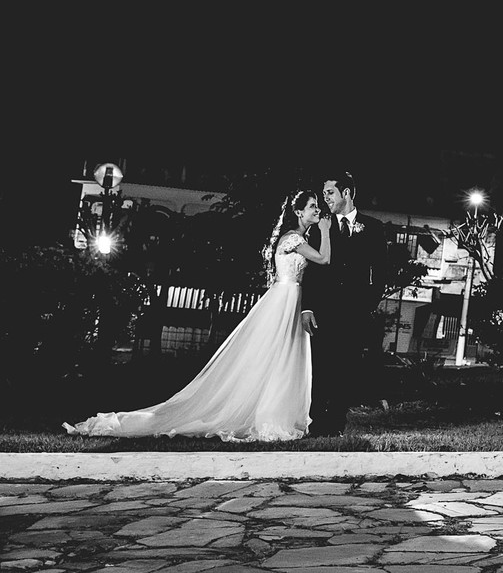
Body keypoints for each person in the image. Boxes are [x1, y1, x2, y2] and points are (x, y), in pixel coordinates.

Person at [63, 190, 332, 442]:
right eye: (312, 207)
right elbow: (323, 260)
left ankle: (274, 410)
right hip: (284, 300)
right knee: (274, 356)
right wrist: (326, 231)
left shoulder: (298, 239)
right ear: (298, 212)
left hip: (289, 300)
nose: (317, 210)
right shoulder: (293, 239)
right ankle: (267, 415)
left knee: (281, 358)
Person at [302, 171, 388, 435]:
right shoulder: (320, 227)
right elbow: (310, 270)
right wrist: (307, 306)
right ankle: (316, 422)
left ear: (346, 193)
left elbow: (381, 271)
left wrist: (368, 303)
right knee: (321, 365)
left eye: (330, 192)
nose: (325, 198)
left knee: (345, 367)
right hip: (323, 309)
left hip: (355, 311)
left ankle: (336, 422)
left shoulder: (373, 227)